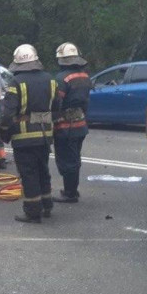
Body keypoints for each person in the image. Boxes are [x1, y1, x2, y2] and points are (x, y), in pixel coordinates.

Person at [0, 44, 61, 223]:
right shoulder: (50, 79)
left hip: (23, 138)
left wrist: (3, 131)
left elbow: (7, 114)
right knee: (43, 170)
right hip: (44, 136)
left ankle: (33, 211)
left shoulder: (16, 82)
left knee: (29, 174)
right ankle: (47, 205)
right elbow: (57, 108)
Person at [53, 43, 91, 203]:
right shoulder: (84, 76)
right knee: (75, 158)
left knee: (66, 160)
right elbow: (86, 102)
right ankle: (72, 190)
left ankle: (70, 193)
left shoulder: (62, 78)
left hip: (65, 127)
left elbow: (56, 103)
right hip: (80, 125)